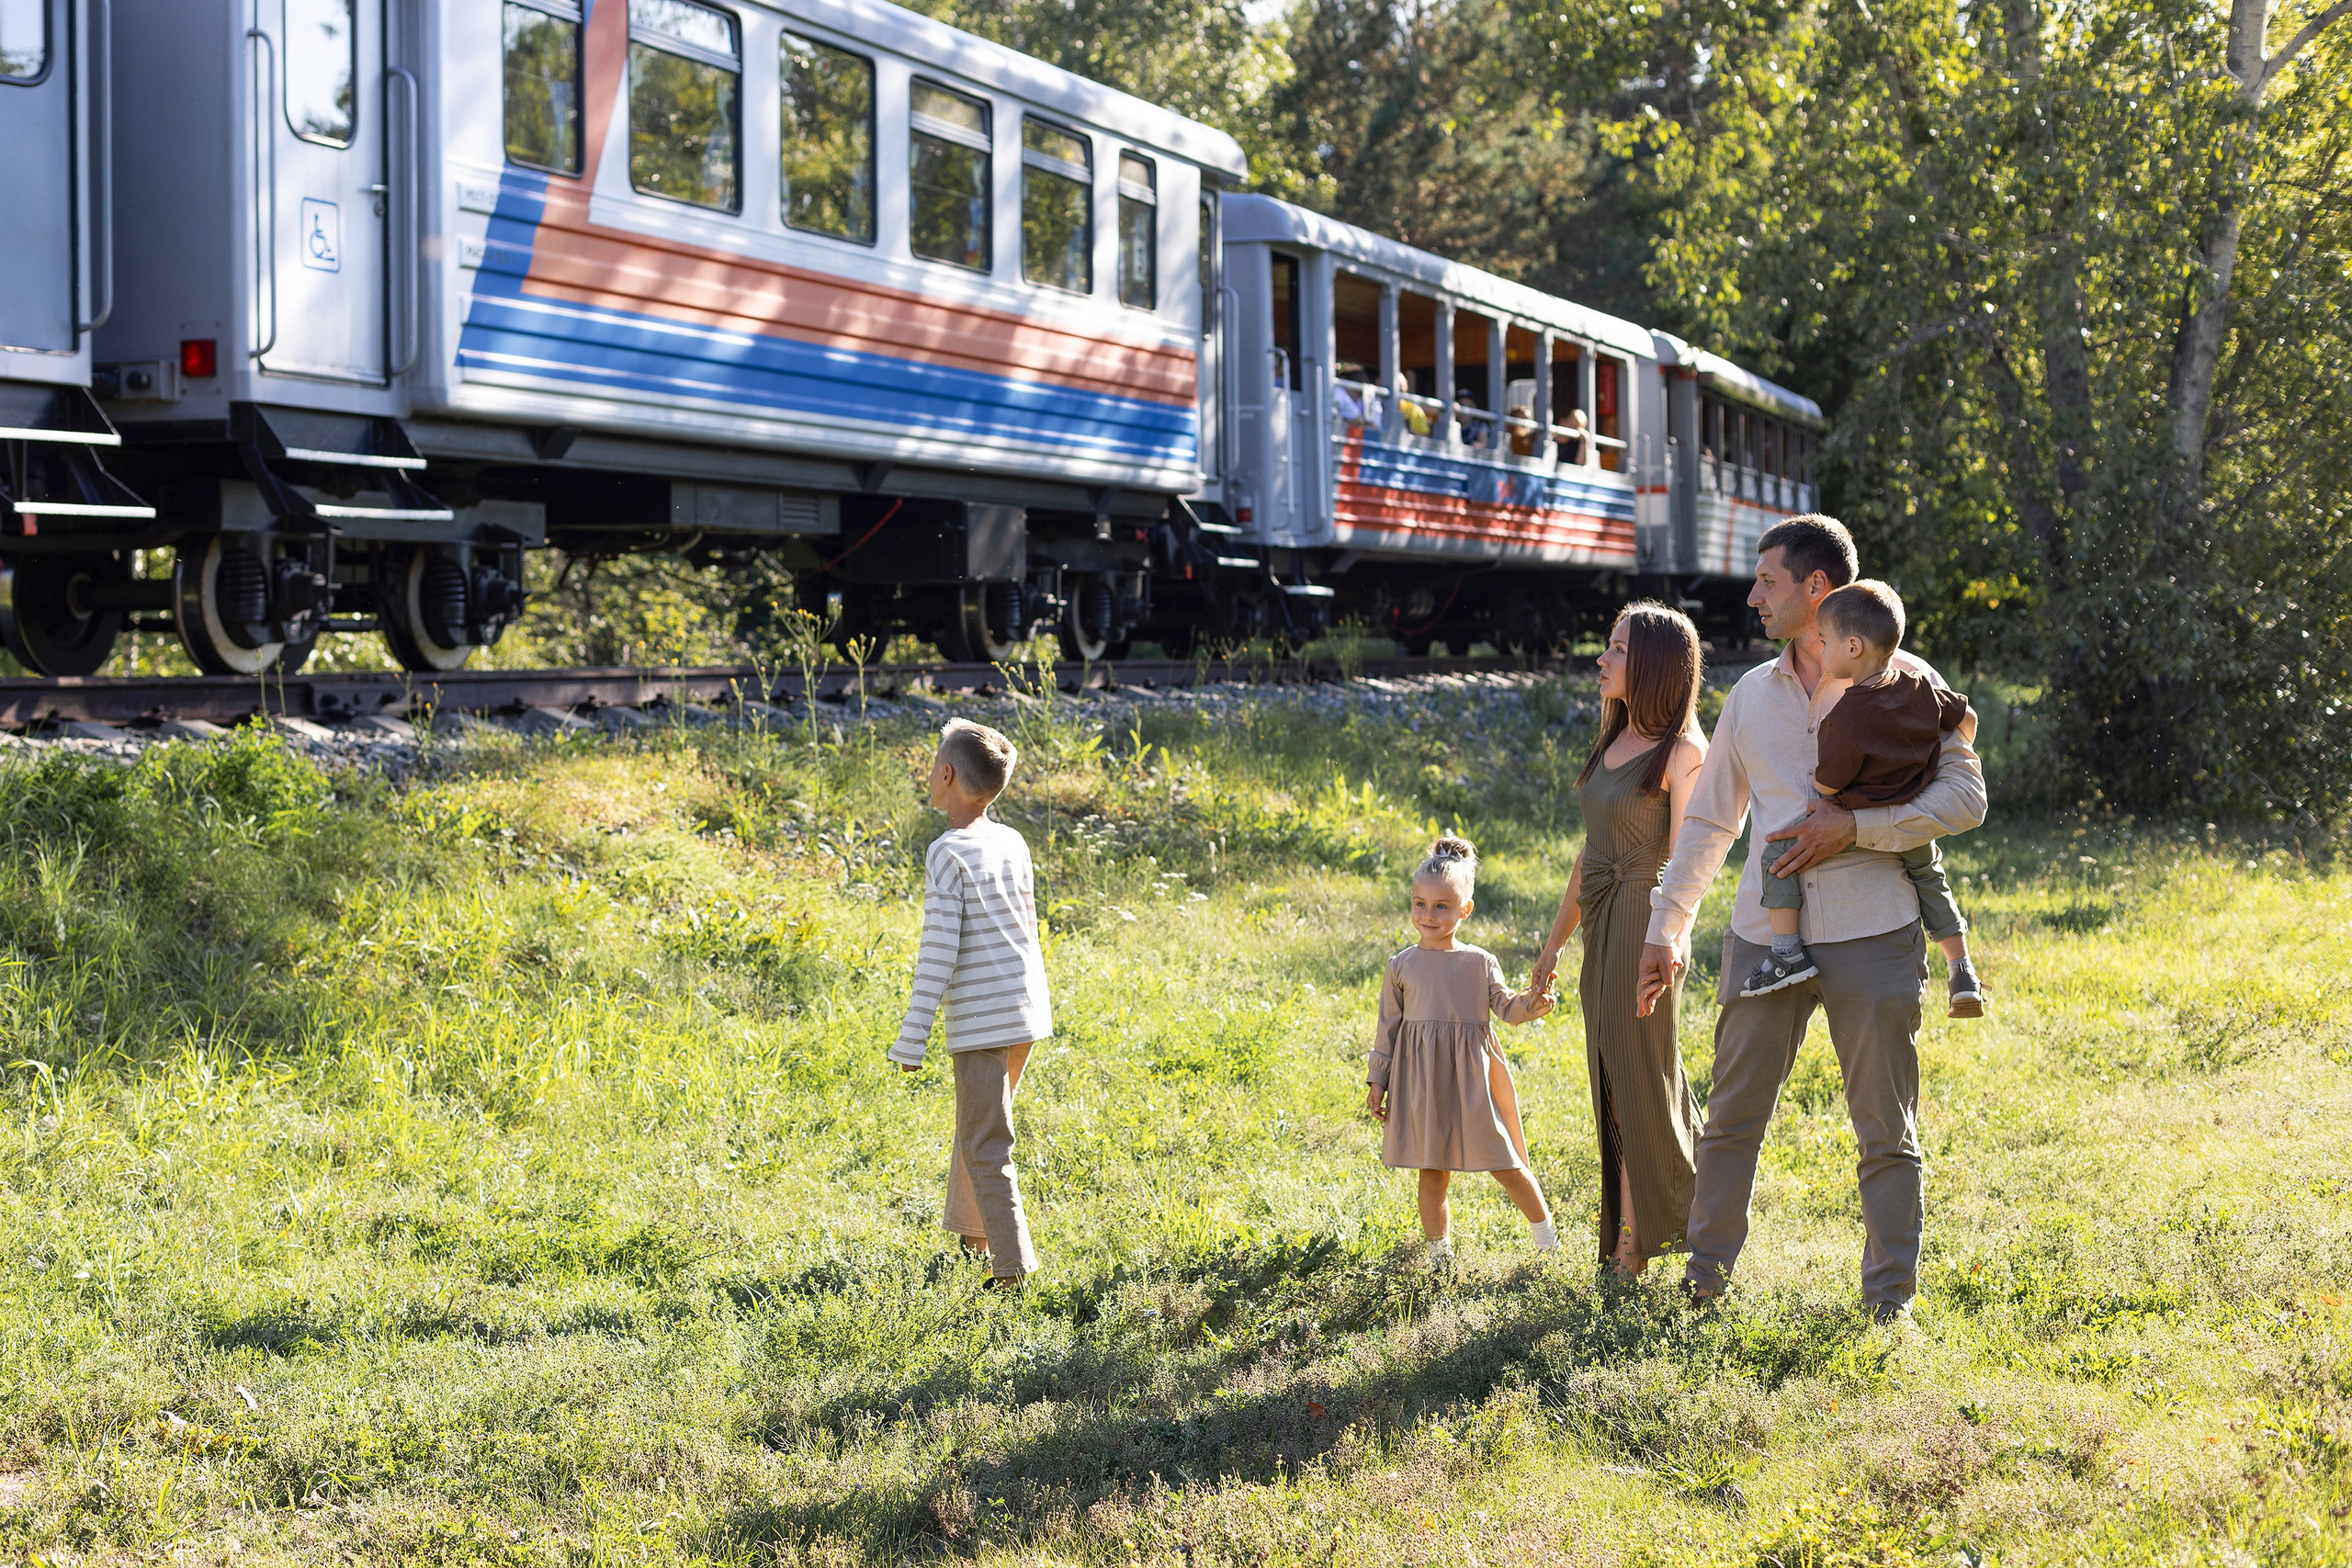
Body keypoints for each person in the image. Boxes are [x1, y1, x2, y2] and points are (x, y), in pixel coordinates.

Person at [1637, 515, 1985, 1321]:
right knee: (1731, 1121)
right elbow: (1712, 821)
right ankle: (1703, 1286)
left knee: (1884, 1131)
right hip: (1767, 932)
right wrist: (1667, 928)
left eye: (1767, 580)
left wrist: (1856, 828)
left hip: (1874, 929)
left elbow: (1967, 798)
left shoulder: (1907, 681)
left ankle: (1887, 1306)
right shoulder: (1751, 697)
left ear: (1814, 588)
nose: (1753, 595)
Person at [1531, 604, 1707, 1275]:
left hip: (1646, 923)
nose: (1602, 659)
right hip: (1604, 917)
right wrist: (1552, 948)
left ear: (1656, 665)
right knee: (1612, 1077)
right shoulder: (1614, 737)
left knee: (1640, 1077)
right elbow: (1588, 856)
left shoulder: (1685, 751)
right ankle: (1655, 1223)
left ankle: (1637, 1245)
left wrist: (1673, 936)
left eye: (1617, 649)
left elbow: (1693, 856)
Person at [1740, 579, 1988, 1018]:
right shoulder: (1920, 687)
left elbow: (1828, 784)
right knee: (1931, 879)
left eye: (1826, 640)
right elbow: (1965, 716)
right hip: (1909, 821)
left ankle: (1785, 952)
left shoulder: (1847, 714)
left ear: (1853, 647)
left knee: (1777, 855)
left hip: (1857, 821)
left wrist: (1825, 790)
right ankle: (1961, 967)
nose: (1820, 646)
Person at [889, 718, 1055, 1291]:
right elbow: (1028, 927)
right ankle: (974, 1235)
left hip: (984, 1021)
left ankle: (1011, 1269)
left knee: (986, 1141)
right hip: (1025, 1010)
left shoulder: (946, 852)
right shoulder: (1011, 841)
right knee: (980, 1124)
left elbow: (938, 952)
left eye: (933, 764)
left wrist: (913, 1036)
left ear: (948, 775)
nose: (929, 773)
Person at [1364, 835, 1560, 1267]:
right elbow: (1388, 1030)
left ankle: (1549, 1244)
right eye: (1420, 903)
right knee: (1432, 1173)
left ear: (1464, 910)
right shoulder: (1401, 966)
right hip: (1424, 1083)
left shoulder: (1479, 961)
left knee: (1506, 1163)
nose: (1428, 915)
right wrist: (1378, 1080)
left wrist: (1535, 1003)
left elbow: (1508, 1008)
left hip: (1473, 1083)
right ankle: (1441, 1261)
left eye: (1441, 906)